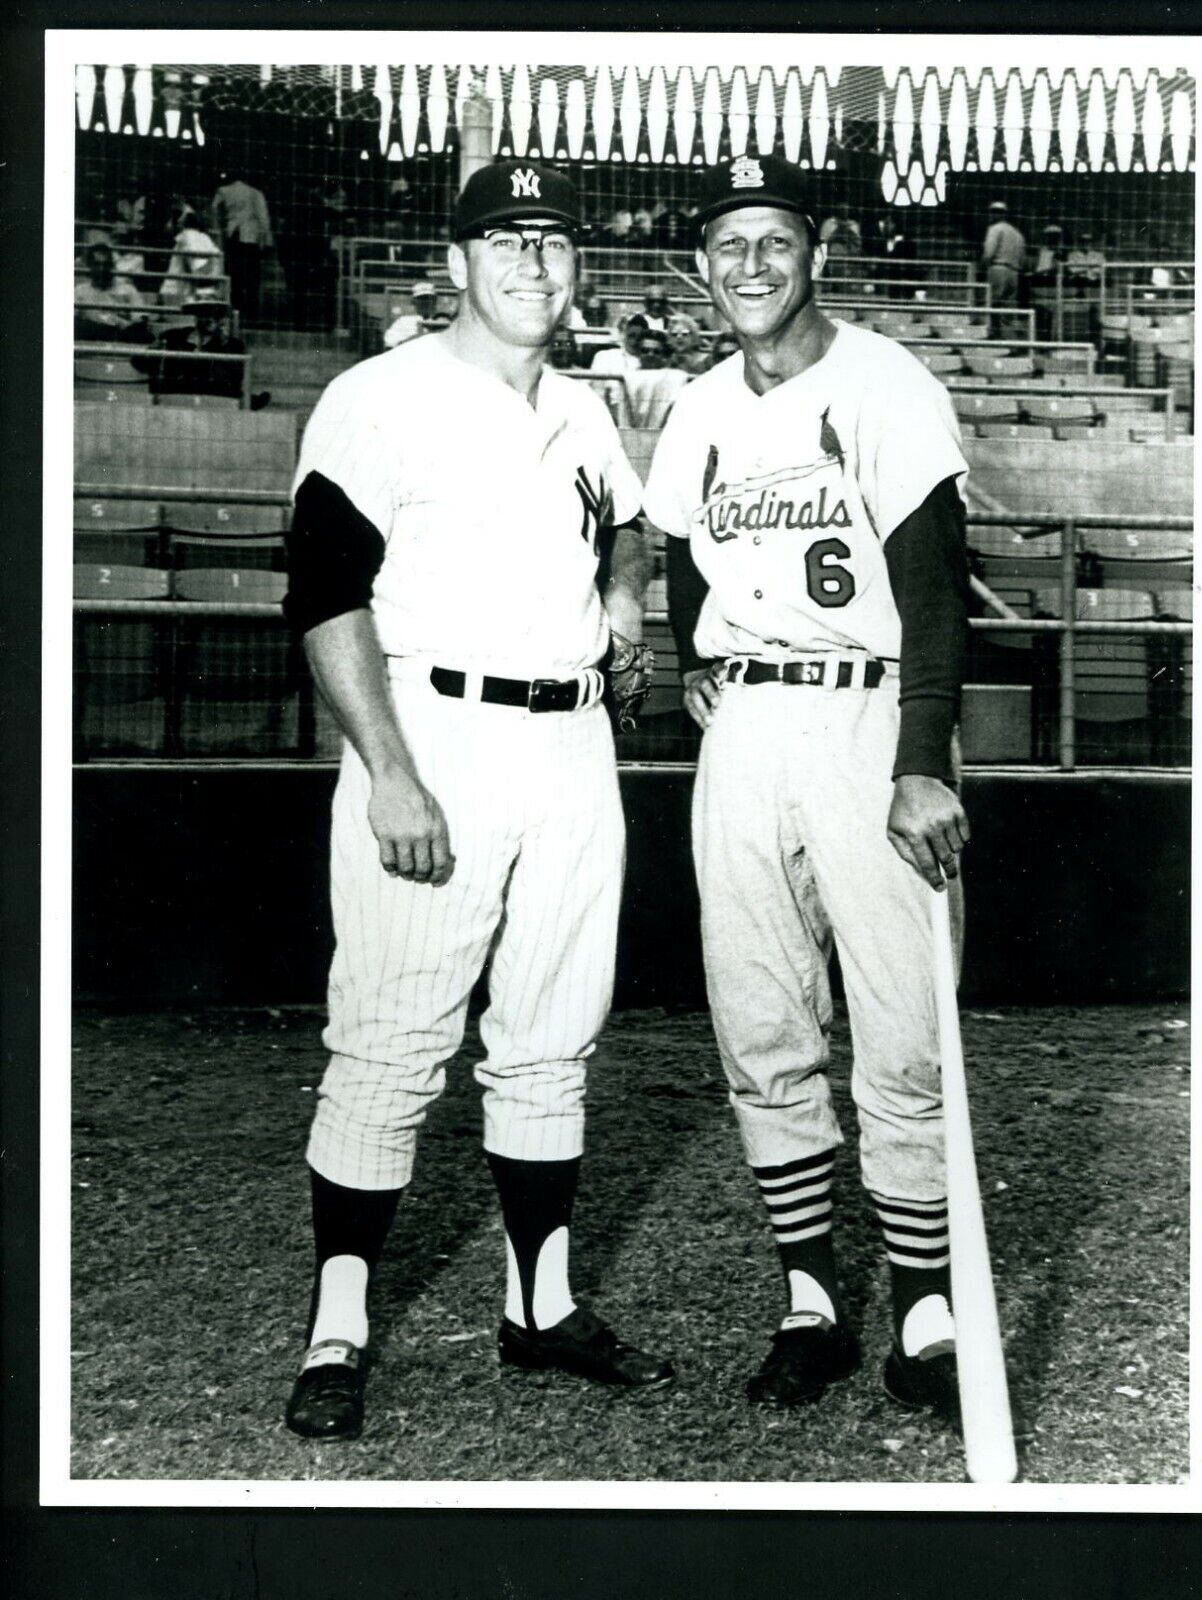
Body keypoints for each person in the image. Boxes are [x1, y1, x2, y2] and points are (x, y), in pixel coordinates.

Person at [280, 160, 672, 1442]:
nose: (533, 264)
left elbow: (626, 523)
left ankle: (540, 1305)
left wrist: (622, 593)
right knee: (390, 1039)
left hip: (571, 745)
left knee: (552, 1037)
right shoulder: (378, 397)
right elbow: (325, 592)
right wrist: (389, 769)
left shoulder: (585, 406)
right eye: (505, 240)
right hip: (431, 730)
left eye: (554, 243)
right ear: (455, 263)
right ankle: (338, 1325)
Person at [643, 153, 971, 1415]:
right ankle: (810, 1298)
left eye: (773, 242)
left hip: (866, 713)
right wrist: (689, 664)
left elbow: (936, 583)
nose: (749, 268)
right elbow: (679, 541)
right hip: (747, 732)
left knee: (899, 1021)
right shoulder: (702, 404)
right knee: (761, 1018)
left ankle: (925, 1308)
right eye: (727, 247)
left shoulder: (883, 383)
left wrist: (920, 758)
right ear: (702, 264)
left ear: (815, 252)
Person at [131, 286, 270, 408]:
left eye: (215, 313)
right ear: (196, 315)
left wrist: (222, 343)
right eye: (204, 312)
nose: (210, 318)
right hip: (177, 395)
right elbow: (140, 362)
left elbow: (234, 380)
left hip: (213, 399)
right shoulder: (173, 336)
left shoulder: (233, 345)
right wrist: (154, 352)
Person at [211, 168, 274, 323]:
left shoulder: (224, 190)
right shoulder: (256, 193)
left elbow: (213, 207)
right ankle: (251, 314)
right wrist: (265, 241)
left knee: (233, 276)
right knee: (252, 278)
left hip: (232, 235)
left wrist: (219, 227)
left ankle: (234, 310)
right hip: (250, 238)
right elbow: (263, 219)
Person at [74, 241, 152, 343]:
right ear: (90, 266)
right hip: (92, 341)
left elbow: (141, 319)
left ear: (112, 266)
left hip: (120, 341)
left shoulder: (127, 289)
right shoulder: (80, 291)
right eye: (97, 264)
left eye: (106, 264)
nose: (102, 269)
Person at [624, 327, 689, 427]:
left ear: (663, 355)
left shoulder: (675, 377)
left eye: (656, 351)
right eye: (645, 350)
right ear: (637, 353)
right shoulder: (627, 376)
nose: (650, 355)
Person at [980, 201, 1025, 339]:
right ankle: (1010, 338)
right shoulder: (1017, 234)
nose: (993, 215)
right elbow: (1022, 259)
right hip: (1014, 272)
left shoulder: (995, 229)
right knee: (1009, 308)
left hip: (999, 268)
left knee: (993, 302)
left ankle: (994, 333)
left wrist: (983, 265)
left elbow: (989, 253)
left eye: (995, 212)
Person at [159, 210, 223, 305]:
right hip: (177, 294)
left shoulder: (194, 236)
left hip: (185, 294)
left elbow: (200, 272)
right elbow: (199, 272)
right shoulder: (188, 236)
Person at [381, 280, 438, 349]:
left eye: (428, 298)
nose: (425, 302)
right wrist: (416, 338)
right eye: (421, 299)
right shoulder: (403, 322)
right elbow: (389, 345)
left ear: (435, 301)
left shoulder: (442, 321)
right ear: (414, 302)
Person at [666, 312, 712, 376]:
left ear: (693, 336)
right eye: (674, 334)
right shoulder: (668, 361)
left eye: (684, 334)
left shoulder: (706, 360)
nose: (679, 337)